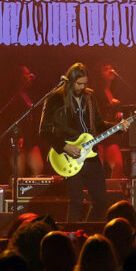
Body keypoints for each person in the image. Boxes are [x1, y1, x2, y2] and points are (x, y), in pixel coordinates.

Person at [39, 62, 109, 221]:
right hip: (69, 155)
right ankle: (72, 238)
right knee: (76, 200)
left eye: (85, 83)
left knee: (101, 201)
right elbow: (44, 131)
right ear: (70, 81)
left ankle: (89, 234)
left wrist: (118, 127)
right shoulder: (55, 99)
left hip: (90, 154)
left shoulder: (89, 96)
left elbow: (99, 124)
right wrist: (64, 146)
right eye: (79, 84)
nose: (82, 87)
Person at [90, 61, 126, 179]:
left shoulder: (112, 92)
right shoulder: (95, 92)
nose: (111, 71)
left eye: (111, 68)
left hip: (110, 135)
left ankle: (114, 193)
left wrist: (119, 113)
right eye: (106, 69)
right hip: (97, 135)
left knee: (118, 165)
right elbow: (96, 115)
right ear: (99, 74)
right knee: (97, 168)